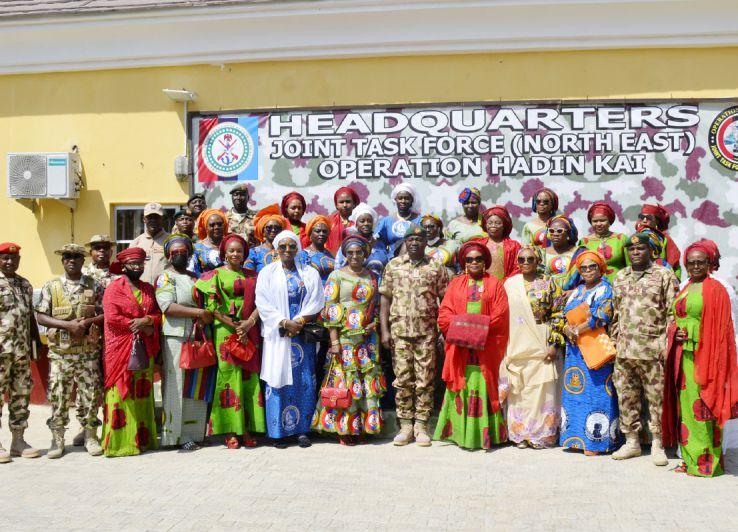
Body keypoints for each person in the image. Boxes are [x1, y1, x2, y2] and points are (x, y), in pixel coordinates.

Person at [664, 240, 738, 477]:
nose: (695, 266)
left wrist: (699, 342)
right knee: (686, 409)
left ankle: (706, 464)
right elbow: (677, 319)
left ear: (710, 264)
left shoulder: (716, 289)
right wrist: (675, 332)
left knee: (704, 408)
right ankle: (689, 460)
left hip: (704, 357)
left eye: (700, 262)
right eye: (691, 263)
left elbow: (721, 329)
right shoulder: (686, 287)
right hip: (683, 356)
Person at [610, 232, 678, 465]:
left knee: (657, 399)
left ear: (650, 250)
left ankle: (658, 443)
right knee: (626, 397)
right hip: (625, 350)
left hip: (653, 348)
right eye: (631, 249)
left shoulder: (663, 275)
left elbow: (672, 312)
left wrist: (667, 345)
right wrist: (614, 341)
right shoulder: (620, 277)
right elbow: (616, 313)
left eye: (640, 248)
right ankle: (632, 442)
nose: (635, 252)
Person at [434, 241, 510, 450]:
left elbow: (500, 316)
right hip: (461, 351)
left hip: (486, 349)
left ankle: (485, 436)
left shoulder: (495, 284)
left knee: (483, 384)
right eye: (469, 259)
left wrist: (469, 330)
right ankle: (460, 436)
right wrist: (470, 332)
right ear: (464, 263)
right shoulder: (455, 284)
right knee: (461, 384)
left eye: (478, 259)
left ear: (485, 262)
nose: (474, 262)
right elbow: (444, 315)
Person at [312, 234, 385, 445]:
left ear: (365, 254)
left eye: (359, 252)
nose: (354, 256)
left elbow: (376, 307)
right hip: (344, 339)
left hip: (367, 339)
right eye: (350, 252)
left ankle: (361, 426)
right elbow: (330, 309)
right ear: (345, 254)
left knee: (365, 383)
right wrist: (334, 341)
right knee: (345, 382)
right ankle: (343, 429)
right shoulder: (336, 276)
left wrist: (374, 324)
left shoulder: (372, 277)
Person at [380, 224, 448, 446]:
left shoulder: (435, 266)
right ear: (406, 242)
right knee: (402, 379)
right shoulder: (394, 265)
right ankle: (405, 425)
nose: (415, 243)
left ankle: (421, 425)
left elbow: (445, 301)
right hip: (399, 333)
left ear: (425, 242)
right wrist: (384, 331)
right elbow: (385, 299)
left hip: (426, 334)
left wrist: (443, 331)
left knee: (425, 380)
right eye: (411, 239)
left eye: (419, 239)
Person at [35, 244, 104, 459]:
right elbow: (41, 316)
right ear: (62, 261)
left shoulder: (94, 285)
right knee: (59, 396)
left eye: (76, 256)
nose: (71, 260)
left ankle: (90, 436)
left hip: (87, 352)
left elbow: (106, 313)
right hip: (60, 354)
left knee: (91, 395)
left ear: (83, 260)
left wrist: (87, 323)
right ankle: (57, 440)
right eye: (67, 257)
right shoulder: (51, 286)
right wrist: (68, 326)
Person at [196, 234, 265, 449]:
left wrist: (249, 323)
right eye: (232, 251)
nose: (235, 254)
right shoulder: (214, 275)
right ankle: (230, 429)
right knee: (227, 379)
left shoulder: (254, 276)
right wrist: (236, 326)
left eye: (239, 251)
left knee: (249, 377)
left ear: (245, 254)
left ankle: (247, 428)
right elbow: (212, 306)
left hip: (249, 330)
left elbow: (263, 302)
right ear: (224, 253)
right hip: (225, 332)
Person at [256, 231, 324, 448]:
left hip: (302, 337)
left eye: (292, 246)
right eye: (283, 246)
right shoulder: (267, 273)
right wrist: (284, 322)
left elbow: (317, 299)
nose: (287, 250)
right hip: (279, 334)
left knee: (304, 381)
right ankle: (278, 433)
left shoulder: (310, 273)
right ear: (276, 249)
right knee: (277, 380)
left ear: (298, 249)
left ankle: (302, 431)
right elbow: (262, 302)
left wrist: (300, 321)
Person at [500, 246, 565, 449]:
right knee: (518, 389)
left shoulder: (549, 283)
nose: (526, 262)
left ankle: (541, 436)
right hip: (516, 342)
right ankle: (520, 435)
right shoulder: (509, 284)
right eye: (521, 259)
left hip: (542, 343)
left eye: (530, 259)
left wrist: (554, 344)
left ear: (538, 261)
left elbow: (558, 313)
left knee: (543, 390)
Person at [100, 248, 161, 457]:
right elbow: (111, 318)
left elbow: (157, 313)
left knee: (143, 392)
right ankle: (120, 444)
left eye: (140, 263)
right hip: (120, 348)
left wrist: (148, 320)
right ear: (124, 266)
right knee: (120, 393)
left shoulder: (148, 289)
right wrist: (136, 324)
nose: (137, 267)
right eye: (133, 264)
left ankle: (143, 440)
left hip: (143, 348)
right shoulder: (114, 289)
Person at [155, 235, 213, 450]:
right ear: (169, 255)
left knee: (195, 386)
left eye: (183, 252)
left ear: (189, 254)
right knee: (176, 385)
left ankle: (194, 434)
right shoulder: (165, 278)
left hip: (197, 336)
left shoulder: (195, 277)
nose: (179, 255)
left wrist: (203, 316)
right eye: (175, 252)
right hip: (176, 337)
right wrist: (198, 313)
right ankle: (174, 436)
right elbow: (167, 306)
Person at [559, 250, 618, 455]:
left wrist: (578, 329)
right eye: (583, 268)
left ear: (600, 269)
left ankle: (596, 443)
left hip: (594, 347)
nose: (587, 271)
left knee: (597, 392)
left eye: (592, 266)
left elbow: (602, 316)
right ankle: (575, 439)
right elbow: (564, 315)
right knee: (575, 392)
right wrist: (566, 328)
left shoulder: (605, 289)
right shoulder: (577, 290)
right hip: (574, 351)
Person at [0, 242, 41, 463]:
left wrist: (37, 342)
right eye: (5, 258)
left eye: (13, 258)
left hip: (21, 352)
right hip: (1, 352)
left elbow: (29, 316)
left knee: (21, 394)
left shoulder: (25, 285)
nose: (9, 262)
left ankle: (18, 441)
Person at [334, 203, 389, 282]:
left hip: (379, 287)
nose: (366, 224)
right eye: (362, 221)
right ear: (356, 224)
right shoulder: (349, 245)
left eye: (369, 221)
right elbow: (338, 269)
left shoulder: (380, 244)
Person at [577, 202, 629, 282]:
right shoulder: (585, 242)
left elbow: (630, 265)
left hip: (620, 284)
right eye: (595, 221)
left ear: (609, 221)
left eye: (602, 220)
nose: (599, 224)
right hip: (594, 285)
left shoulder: (621, 239)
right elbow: (580, 268)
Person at [471, 205, 521, 280]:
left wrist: (507, 283)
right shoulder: (478, 244)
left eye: (498, 223)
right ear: (485, 225)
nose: (493, 226)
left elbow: (518, 268)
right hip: (483, 284)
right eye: (490, 223)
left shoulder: (514, 246)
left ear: (504, 225)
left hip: (505, 285)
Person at [375, 182, 422, 257]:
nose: (403, 201)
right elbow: (379, 246)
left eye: (407, 198)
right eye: (400, 198)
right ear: (395, 200)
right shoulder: (386, 221)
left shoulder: (420, 220)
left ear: (412, 200)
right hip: (391, 260)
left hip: (414, 259)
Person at [637, 204, 682, 280]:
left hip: (661, 277)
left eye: (649, 217)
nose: (644, 220)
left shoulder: (664, 238)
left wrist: (674, 280)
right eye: (642, 217)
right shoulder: (635, 237)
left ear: (657, 221)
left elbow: (674, 260)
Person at [129, 202, 170, 286]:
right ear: (144, 219)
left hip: (165, 289)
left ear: (162, 219)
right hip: (142, 290)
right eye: (150, 217)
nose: (153, 220)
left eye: (156, 217)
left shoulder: (171, 241)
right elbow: (129, 267)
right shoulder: (136, 242)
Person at [245, 205, 290, 274]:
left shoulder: (287, 250)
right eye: (269, 228)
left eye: (277, 228)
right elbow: (248, 275)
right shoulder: (254, 252)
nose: (273, 230)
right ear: (263, 231)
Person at [189, 208, 229, 278]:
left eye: (219, 224)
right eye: (212, 225)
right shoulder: (197, 248)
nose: (216, 227)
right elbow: (194, 272)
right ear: (206, 227)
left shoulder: (231, 244)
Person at [296, 215, 335, 285]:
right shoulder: (303, 255)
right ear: (310, 234)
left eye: (324, 231)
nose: (321, 234)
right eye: (318, 231)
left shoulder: (330, 254)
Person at [544, 215, 578, 285]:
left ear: (568, 233)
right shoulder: (542, 253)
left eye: (559, 231)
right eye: (551, 231)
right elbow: (539, 278)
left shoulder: (578, 252)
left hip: (573, 290)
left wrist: (572, 290)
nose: (555, 234)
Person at [326, 186, 359, 255]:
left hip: (355, 258)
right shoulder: (328, 222)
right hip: (331, 259)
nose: (345, 205)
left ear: (354, 204)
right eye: (341, 202)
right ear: (336, 205)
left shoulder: (360, 221)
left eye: (348, 201)